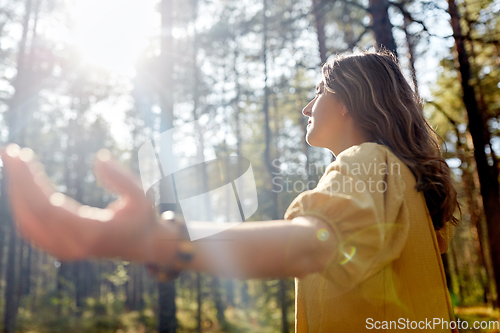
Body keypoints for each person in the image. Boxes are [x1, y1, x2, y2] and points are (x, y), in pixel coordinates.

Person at [2, 50, 459, 332]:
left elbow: (309, 246)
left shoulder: (367, 162)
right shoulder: (406, 184)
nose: (306, 106)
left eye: (319, 91)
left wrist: (157, 240)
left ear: (346, 101)